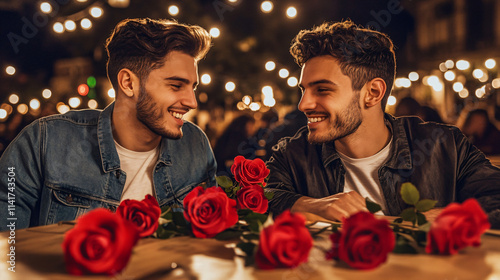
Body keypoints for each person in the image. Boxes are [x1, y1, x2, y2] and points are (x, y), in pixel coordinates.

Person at [266, 20, 500, 228]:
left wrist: (452, 216)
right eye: (304, 90)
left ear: (373, 93)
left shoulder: (445, 146)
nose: (303, 104)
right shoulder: (293, 154)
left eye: (322, 90)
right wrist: (312, 205)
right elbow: (263, 196)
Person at [0, 18, 216, 230]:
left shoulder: (196, 144)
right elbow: (5, 249)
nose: (192, 102)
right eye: (176, 85)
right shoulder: (44, 141)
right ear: (128, 83)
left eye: (193, 87)